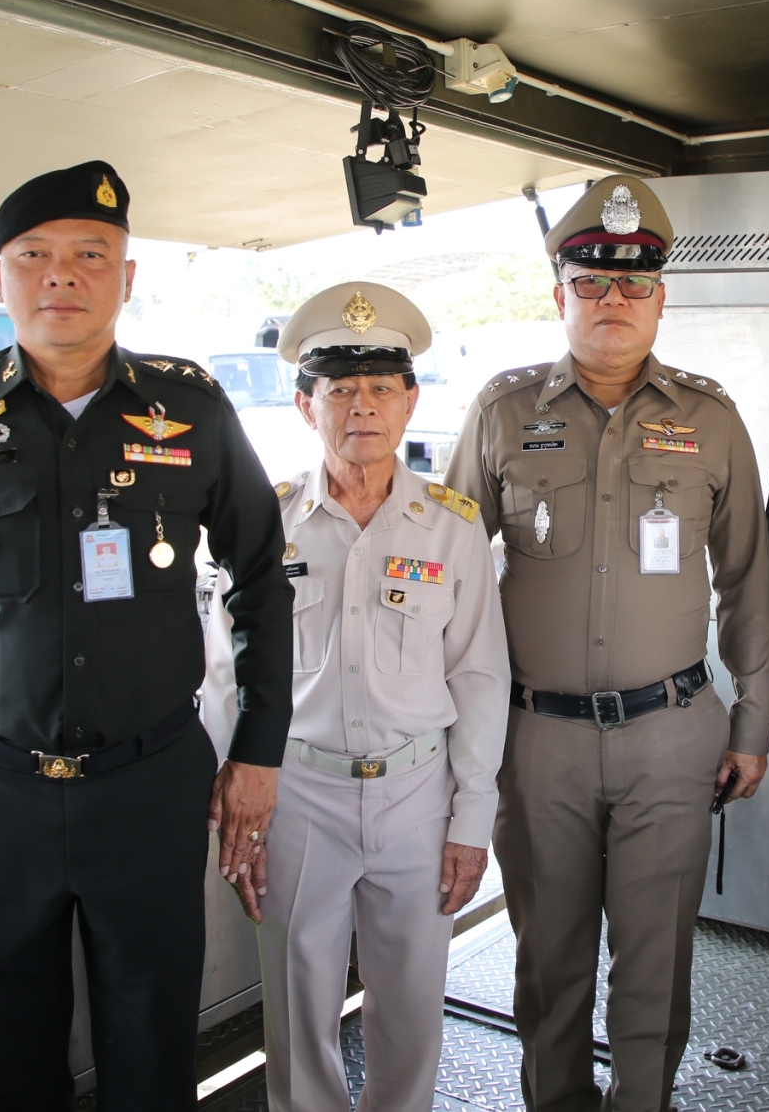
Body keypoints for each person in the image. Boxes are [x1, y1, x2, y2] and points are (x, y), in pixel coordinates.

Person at [0, 160, 294, 1111]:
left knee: (153, 1057)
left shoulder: (190, 408)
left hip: (148, 786)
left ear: (127, 276)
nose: (61, 276)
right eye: (34, 255)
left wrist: (258, 750)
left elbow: (260, 580)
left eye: (91, 254)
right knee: (4, 1061)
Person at [444, 175, 769, 1112]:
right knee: (547, 969)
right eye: (591, 281)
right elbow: (449, 575)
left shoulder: (710, 419)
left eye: (635, 283)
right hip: (535, 741)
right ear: (560, 295)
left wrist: (753, 723)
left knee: (653, 972)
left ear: (661, 299)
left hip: (671, 737)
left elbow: (749, 579)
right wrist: (448, 735)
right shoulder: (503, 411)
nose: (613, 300)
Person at [232, 281, 510, 1112]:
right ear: (304, 404)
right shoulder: (267, 524)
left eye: (382, 387)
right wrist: (239, 807)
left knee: (413, 1012)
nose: (363, 406)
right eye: (341, 389)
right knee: (298, 1012)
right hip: (299, 794)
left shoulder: (452, 525)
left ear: (410, 400)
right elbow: (225, 674)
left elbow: (480, 676)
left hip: (418, 794)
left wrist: (471, 820)